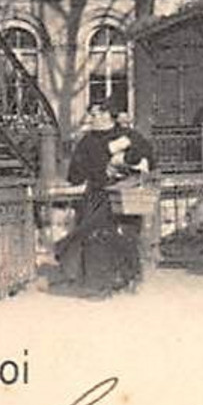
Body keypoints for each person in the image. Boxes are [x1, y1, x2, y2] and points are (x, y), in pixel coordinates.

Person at [57, 104, 143, 296]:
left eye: (95, 115)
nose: (91, 119)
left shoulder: (127, 136)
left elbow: (146, 157)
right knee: (95, 236)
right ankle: (99, 284)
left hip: (124, 196)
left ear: (106, 115)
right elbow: (75, 175)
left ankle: (124, 279)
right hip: (98, 195)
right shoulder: (86, 141)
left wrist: (124, 164)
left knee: (119, 236)